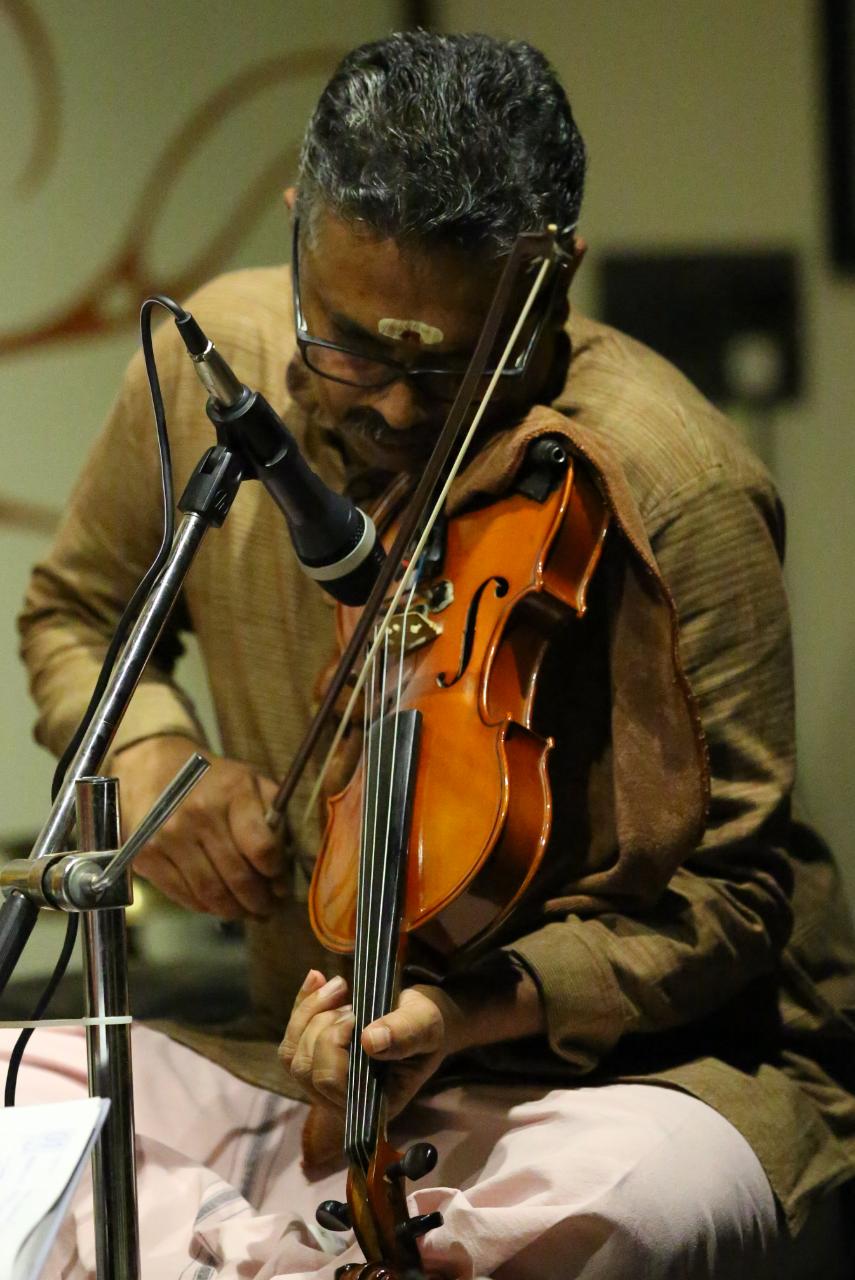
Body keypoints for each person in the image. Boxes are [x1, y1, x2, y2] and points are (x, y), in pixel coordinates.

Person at [11, 29, 855, 1280]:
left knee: (599, 1213)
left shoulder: (683, 486)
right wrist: (148, 754)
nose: (399, 407)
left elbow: (735, 898)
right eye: (352, 345)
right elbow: (75, 610)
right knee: (19, 1097)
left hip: (618, 1083)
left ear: (553, 278)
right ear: (301, 229)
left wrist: (468, 1008)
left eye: (451, 364)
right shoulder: (213, 375)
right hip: (289, 1053)